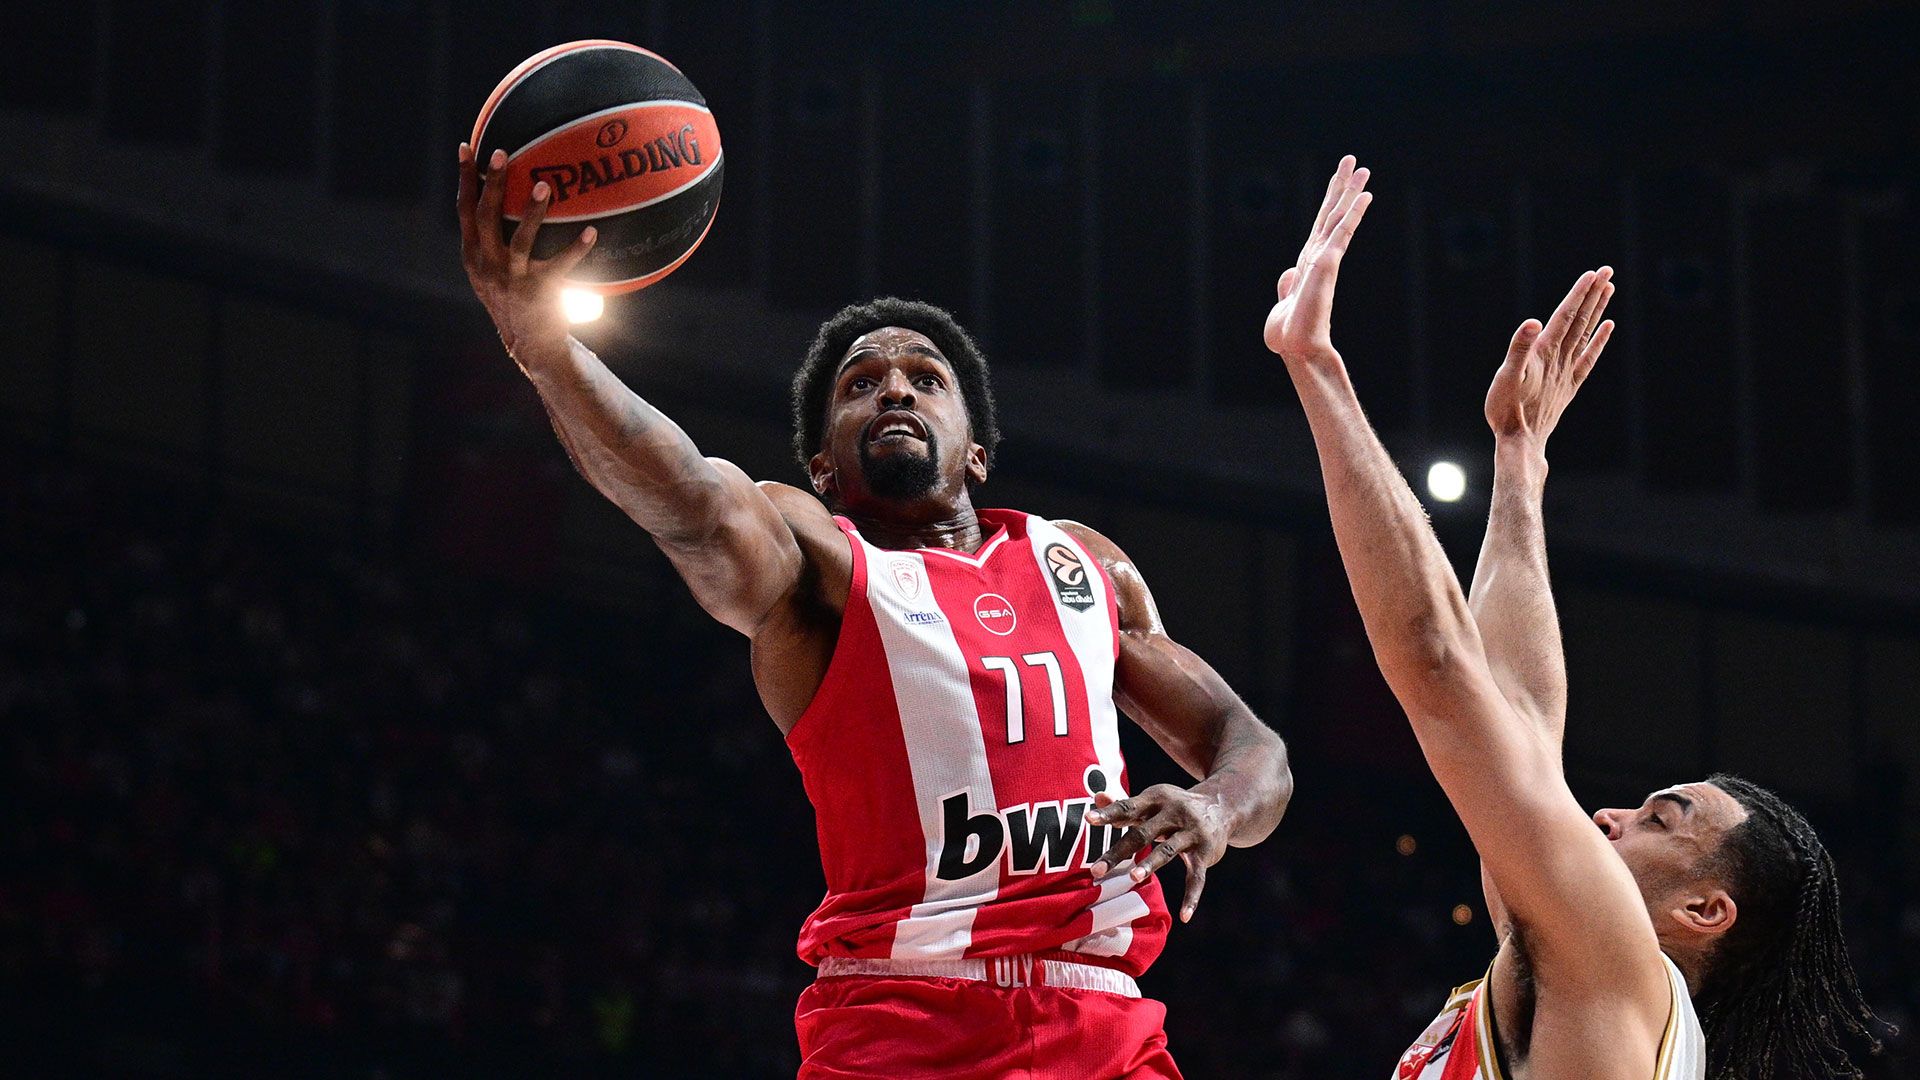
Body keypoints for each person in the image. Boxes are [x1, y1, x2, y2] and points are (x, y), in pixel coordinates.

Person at [455, 143, 1292, 1079]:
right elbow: (690, 501)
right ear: (823, 466)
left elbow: (1251, 747)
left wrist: (1213, 807)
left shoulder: (1083, 563)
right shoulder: (818, 561)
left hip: (1104, 1028)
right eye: (861, 384)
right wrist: (546, 351)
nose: (895, 386)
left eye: (926, 379)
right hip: (901, 1023)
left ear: (977, 452)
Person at [1263, 157, 1883, 1080]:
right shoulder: (1584, 976)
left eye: (1660, 820)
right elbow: (1516, 718)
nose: (1609, 813)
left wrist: (1319, 369)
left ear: (1705, 912)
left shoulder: (1616, 963)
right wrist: (1520, 461)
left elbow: (1440, 668)